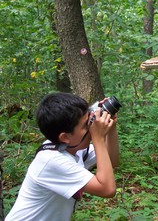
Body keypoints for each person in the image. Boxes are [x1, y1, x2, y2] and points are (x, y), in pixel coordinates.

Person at [5, 92, 119, 221]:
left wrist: (111, 127)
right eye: (85, 125)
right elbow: (107, 189)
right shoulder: (51, 160)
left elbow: (111, 160)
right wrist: (98, 138)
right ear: (65, 137)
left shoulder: (72, 148)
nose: (91, 126)